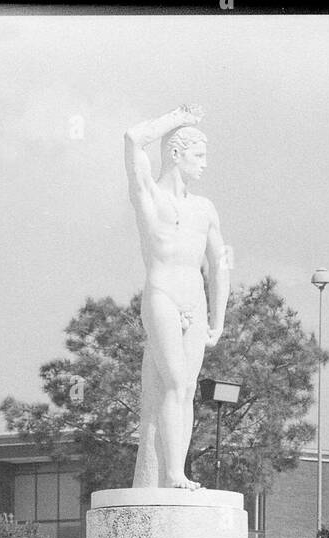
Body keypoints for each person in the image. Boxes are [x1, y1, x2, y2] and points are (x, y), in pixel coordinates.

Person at [123, 104, 230, 490]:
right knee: (174, 382)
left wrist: (218, 320)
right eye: (198, 155)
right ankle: (172, 474)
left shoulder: (204, 208)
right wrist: (179, 119)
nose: (204, 164)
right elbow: (134, 139)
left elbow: (219, 264)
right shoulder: (149, 196)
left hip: (195, 302)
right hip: (163, 294)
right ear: (175, 154)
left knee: (185, 389)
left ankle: (174, 470)